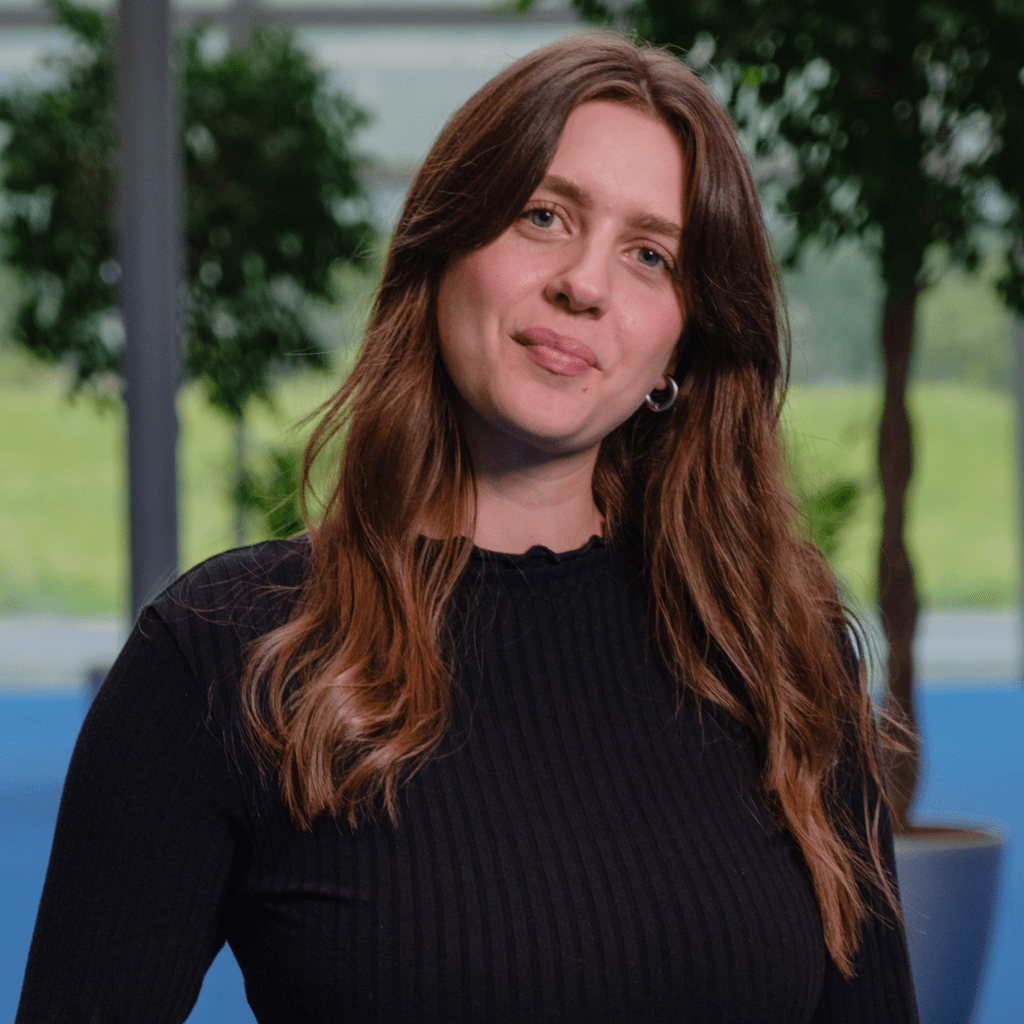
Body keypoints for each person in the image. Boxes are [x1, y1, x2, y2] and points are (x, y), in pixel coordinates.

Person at [17, 32, 919, 1023]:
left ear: (679, 348)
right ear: (444, 243)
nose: (584, 284)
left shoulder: (781, 656)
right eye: (543, 215)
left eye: (650, 255)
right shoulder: (228, 652)